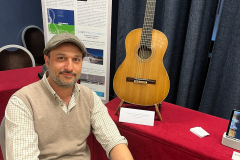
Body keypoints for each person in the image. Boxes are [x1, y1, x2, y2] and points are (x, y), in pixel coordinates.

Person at [5, 33, 134, 160]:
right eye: (61, 58)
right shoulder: (22, 102)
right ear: (47, 61)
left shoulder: (89, 97)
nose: (69, 67)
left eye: (76, 59)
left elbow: (114, 140)